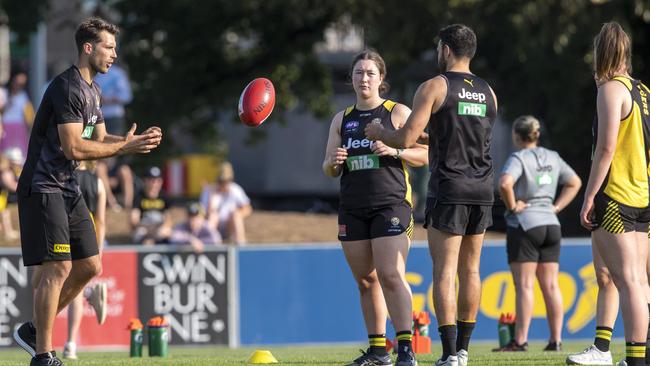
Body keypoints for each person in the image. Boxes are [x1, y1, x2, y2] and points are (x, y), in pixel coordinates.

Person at [12, 17, 162, 366]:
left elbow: (98, 138)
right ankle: (43, 355)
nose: (114, 54)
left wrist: (130, 141)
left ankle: (34, 330)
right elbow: (74, 148)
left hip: (67, 187)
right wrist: (122, 150)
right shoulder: (68, 87)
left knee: (91, 266)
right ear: (88, 47)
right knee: (58, 267)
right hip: (43, 186)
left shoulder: (93, 91)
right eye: (109, 47)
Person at [365, 24, 497, 366]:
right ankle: (464, 351)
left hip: (450, 187)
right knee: (471, 271)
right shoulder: (488, 91)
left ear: (446, 50)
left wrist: (382, 131)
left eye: (439, 47)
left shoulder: (434, 86)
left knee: (445, 271)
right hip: (482, 187)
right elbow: (462, 135)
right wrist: (428, 138)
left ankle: (450, 353)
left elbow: (404, 139)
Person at [323, 49, 428, 366]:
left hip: (391, 205)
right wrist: (335, 162)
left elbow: (427, 155)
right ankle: (378, 350)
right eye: (358, 73)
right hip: (353, 207)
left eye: (370, 73)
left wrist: (394, 151)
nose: (363, 78)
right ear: (351, 79)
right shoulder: (342, 119)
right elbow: (328, 167)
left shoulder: (397, 112)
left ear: (381, 79)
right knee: (366, 281)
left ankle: (406, 348)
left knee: (390, 275)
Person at [578, 22, 650, 366]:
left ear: (601, 53)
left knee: (628, 281)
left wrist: (590, 195)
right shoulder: (644, 92)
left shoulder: (610, 90)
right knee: (638, 280)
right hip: (641, 196)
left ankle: (634, 359)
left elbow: (605, 149)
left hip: (616, 196)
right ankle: (635, 354)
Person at [497, 115, 582, 352]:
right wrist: (555, 207)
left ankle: (521, 341)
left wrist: (513, 206)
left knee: (524, 286)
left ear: (516, 135)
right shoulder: (553, 157)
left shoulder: (519, 157)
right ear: (537, 134)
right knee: (551, 286)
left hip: (525, 224)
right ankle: (556, 341)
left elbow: (504, 183)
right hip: (551, 224)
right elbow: (575, 181)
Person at [62, 161, 108, 360]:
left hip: (65, 232)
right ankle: (70, 344)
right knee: (75, 288)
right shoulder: (97, 182)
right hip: (88, 236)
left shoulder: (62, 176)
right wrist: (98, 252)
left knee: (51, 283)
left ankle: (70, 345)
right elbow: (101, 221)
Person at [200, 161, 252, 244]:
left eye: (227, 181)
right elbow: (203, 214)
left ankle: (241, 243)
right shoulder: (209, 191)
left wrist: (238, 213)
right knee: (213, 216)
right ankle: (210, 242)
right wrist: (211, 198)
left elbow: (248, 208)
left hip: (229, 227)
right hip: (214, 227)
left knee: (236, 216)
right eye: (222, 181)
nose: (224, 184)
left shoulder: (235, 190)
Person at [131, 166, 172, 245]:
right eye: (152, 180)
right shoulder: (139, 196)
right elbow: (134, 220)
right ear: (145, 181)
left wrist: (156, 231)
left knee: (167, 232)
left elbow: (168, 220)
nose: (155, 184)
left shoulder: (164, 196)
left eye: (158, 181)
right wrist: (149, 231)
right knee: (140, 233)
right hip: (144, 229)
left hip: (159, 230)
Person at [1, 71, 34, 159]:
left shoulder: (24, 95)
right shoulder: (3, 93)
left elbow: (28, 116)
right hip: (5, 128)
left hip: (19, 129)